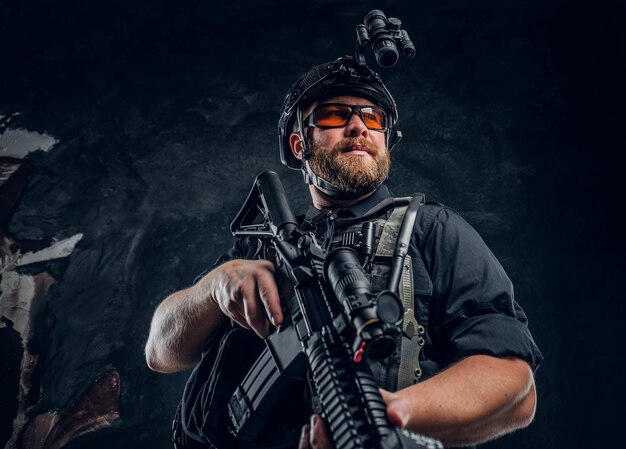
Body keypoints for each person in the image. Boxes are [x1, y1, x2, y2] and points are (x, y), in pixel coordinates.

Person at [145, 56, 543, 449]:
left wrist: (392, 416)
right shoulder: (260, 246)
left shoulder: (430, 230)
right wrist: (217, 285)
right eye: (335, 115)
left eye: (373, 118)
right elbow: (161, 351)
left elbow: (514, 383)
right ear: (300, 144)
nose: (358, 126)